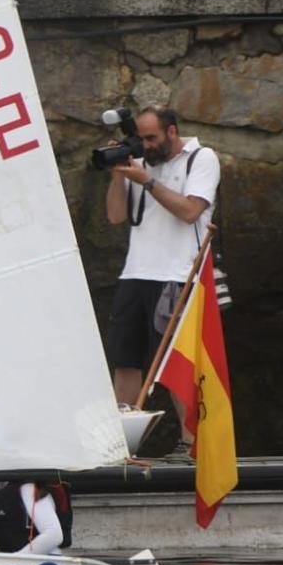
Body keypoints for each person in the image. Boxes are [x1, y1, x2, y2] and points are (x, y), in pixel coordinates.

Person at [104, 105, 219, 411]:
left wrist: (148, 182)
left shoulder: (201, 158)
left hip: (176, 276)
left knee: (177, 366)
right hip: (134, 274)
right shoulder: (140, 162)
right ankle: (125, 445)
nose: (147, 146)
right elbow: (115, 216)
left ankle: (187, 446)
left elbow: (190, 211)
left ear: (172, 131)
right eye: (142, 139)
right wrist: (118, 176)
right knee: (125, 360)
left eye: (152, 138)